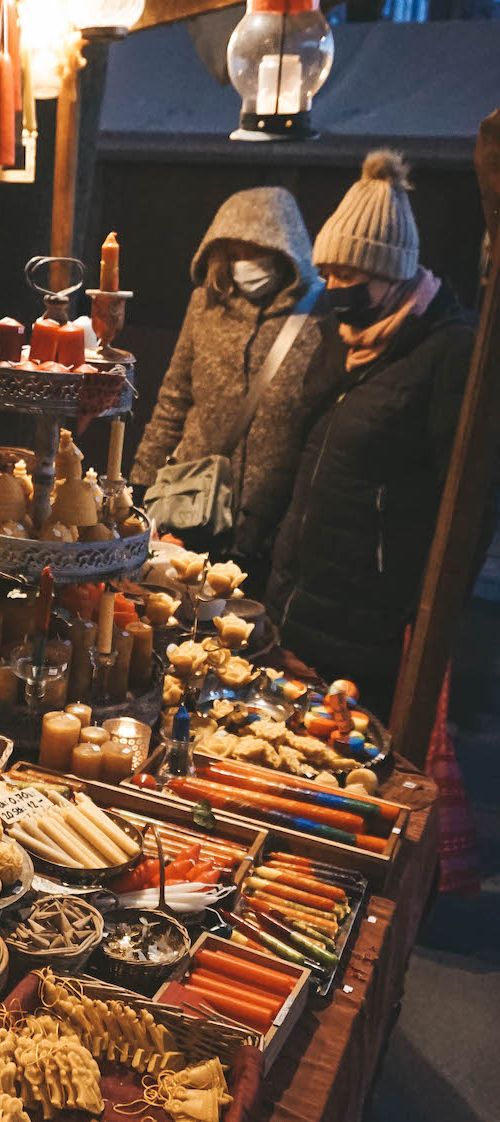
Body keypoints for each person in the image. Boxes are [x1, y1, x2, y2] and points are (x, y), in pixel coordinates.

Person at [265, 150, 476, 718]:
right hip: (295, 603)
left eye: (349, 276)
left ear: (393, 273)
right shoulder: (343, 336)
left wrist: (416, 610)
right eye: (327, 272)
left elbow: (464, 505)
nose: (333, 287)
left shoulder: (448, 353)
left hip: (368, 625)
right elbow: (301, 449)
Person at [131, 186, 323, 582]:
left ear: (285, 251)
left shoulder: (317, 320)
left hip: (269, 517)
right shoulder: (205, 305)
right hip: (191, 506)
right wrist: (139, 484)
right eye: (234, 254)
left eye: (256, 252)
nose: (244, 264)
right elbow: (174, 399)